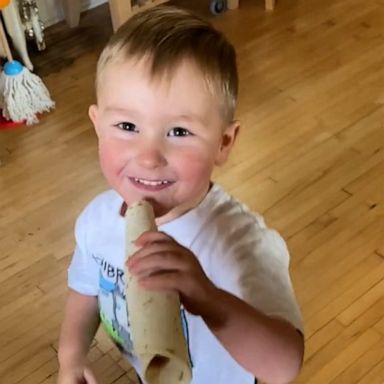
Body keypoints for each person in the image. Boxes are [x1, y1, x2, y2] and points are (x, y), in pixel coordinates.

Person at [57, 6, 304, 384]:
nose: (149, 157)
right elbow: (86, 289)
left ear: (223, 143)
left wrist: (207, 297)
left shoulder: (242, 246)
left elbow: (284, 366)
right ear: (97, 126)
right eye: (126, 126)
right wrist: (70, 358)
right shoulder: (97, 221)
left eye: (178, 132)